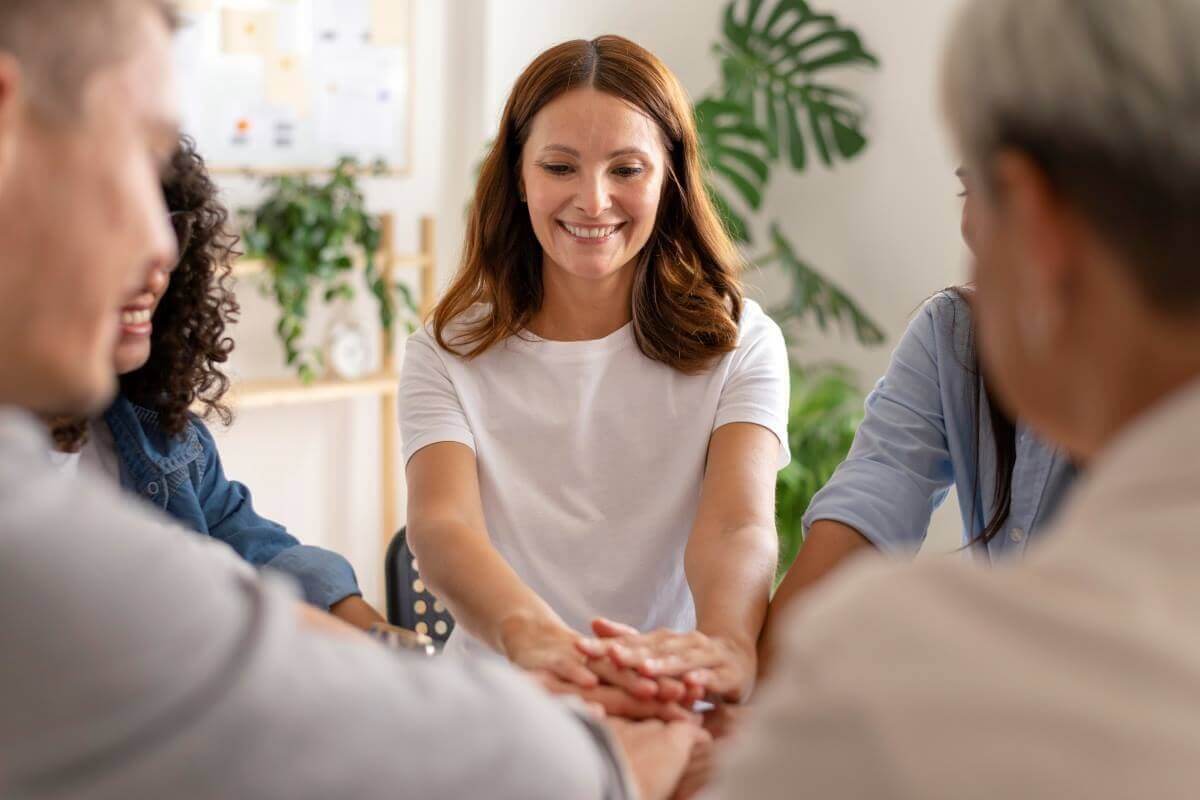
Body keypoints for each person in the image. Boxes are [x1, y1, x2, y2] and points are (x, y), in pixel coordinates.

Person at [0, 2, 704, 797]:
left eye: (627, 168)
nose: (161, 245)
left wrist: (383, 642)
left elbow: (243, 557)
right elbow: (249, 669)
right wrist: (599, 752)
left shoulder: (149, 439)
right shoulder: (32, 540)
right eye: (130, 156)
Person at [705, 0, 1200, 796]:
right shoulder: (952, 339)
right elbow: (866, 509)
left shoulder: (914, 683)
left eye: (978, 188)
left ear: (1033, 213)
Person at [399, 35, 789, 716]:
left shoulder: (741, 341)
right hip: (502, 705)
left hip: (667, 699)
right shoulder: (445, 349)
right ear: (518, 176)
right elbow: (443, 525)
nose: (593, 199)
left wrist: (726, 644)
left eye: (627, 169)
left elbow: (736, 526)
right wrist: (539, 642)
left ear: (670, 176)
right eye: (559, 166)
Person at [46, 136, 384, 630]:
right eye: (118, 229)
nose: (158, 263)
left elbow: (243, 539)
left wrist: (374, 632)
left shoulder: (155, 428)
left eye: (167, 230)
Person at [756, 168, 1078, 669]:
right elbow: (873, 499)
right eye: (973, 188)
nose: (980, 223)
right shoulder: (955, 333)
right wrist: (744, 697)